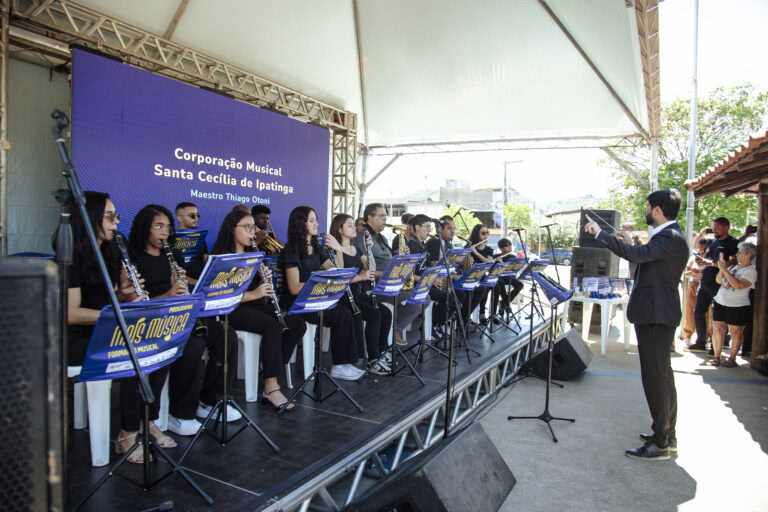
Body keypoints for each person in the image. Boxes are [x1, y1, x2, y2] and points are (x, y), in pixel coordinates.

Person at [60, 191, 172, 464]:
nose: (115, 223)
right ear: (90, 218)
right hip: (76, 337)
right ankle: (127, 434)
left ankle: (148, 419)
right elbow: (71, 314)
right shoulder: (70, 254)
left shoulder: (109, 252)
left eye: (116, 216)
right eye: (110, 216)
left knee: (161, 342)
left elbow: (112, 298)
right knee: (135, 352)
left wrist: (124, 292)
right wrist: (117, 313)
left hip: (108, 327)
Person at [584, 188, 688, 461]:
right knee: (663, 375)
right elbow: (644, 257)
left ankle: (661, 442)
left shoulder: (670, 237)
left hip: (656, 316)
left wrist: (600, 234)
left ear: (657, 209)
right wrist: (628, 242)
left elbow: (637, 256)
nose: (645, 211)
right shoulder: (669, 237)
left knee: (655, 378)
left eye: (647, 207)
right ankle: (667, 432)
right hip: (656, 314)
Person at [129, 204, 242, 434]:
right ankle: (180, 412)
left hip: (181, 314)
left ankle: (210, 399)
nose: (164, 233)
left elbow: (188, 287)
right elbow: (137, 304)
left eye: (168, 228)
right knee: (193, 345)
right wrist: (169, 294)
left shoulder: (173, 254)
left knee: (226, 335)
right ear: (144, 228)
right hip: (155, 321)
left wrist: (188, 284)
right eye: (158, 227)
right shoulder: (133, 258)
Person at [211, 209, 306, 409]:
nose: (252, 232)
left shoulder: (252, 254)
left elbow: (255, 289)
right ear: (232, 229)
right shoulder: (222, 257)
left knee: (296, 324)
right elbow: (220, 294)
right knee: (273, 327)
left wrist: (264, 281)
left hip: (254, 304)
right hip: (231, 308)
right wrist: (255, 294)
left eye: (253, 228)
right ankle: (271, 387)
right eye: (246, 227)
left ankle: (269, 364)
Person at [279, 206, 363, 380]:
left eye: (316, 219)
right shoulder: (291, 250)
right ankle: (340, 366)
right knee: (341, 314)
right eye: (311, 220)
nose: (316, 223)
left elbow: (333, 269)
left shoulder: (316, 247)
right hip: (297, 303)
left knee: (345, 313)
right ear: (300, 224)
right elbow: (294, 287)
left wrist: (338, 251)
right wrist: (319, 284)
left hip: (315, 298)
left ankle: (344, 362)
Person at [330, 213, 393, 375]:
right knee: (374, 315)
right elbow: (340, 277)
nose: (355, 228)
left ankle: (381, 351)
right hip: (343, 296)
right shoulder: (333, 249)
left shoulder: (357, 249)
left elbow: (370, 269)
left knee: (385, 313)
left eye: (354, 224)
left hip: (357, 293)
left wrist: (369, 249)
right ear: (340, 229)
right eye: (350, 225)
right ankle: (373, 359)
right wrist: (339, 250)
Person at [355, 203, 423, 346]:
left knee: (421, 297)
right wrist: (391, 274)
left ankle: (395, 327)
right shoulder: (363, 238)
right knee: (413, 299)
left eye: (385, 216)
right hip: (375, 286)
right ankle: (393, 331)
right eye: (382, 216)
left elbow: (389, 259)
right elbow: (365, 270)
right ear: (370, 218)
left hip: (391, 282)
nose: (385, 219)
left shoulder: (382, 238)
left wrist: (401, 257)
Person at [686, 217, 739, 352]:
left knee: (719, 315)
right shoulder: (712, 242)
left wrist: (710, 263)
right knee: (698, 312)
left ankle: (718, 345)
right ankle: (700, 341)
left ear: (726, 227)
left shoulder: (733, 243)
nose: (714, 230)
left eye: (718, 227)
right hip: (705, 282)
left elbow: (732, 262)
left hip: (720, 284)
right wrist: (701, 262)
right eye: (714, 227)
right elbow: (705, 257)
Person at [710, 242, 757, 367]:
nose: (737, 255)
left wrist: (725, 270)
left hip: (738, 305)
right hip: (720, 301)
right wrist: (722, 270)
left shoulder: (752, 272)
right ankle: (716, 356)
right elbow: (719, 280)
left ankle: (732, 358)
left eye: (740, 252)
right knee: (717, 329)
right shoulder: (734, 267)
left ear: (748, 255)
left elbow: (738, 285)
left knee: (736, 332)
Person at [681, 238, 712, 345]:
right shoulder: (693, 258)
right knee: (690, 310)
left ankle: (706, 337)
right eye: (700, 248)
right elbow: (686, 273)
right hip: (694, 284)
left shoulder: (711, 259)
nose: (701, 250)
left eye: (704, 248)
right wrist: (693, 273)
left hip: (707, 286)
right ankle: (688, 335)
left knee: (707, 313)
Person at [465, 224, 494, 322]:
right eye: (483, 233)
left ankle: (482, 313)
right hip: (470, 276)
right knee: (476, 287)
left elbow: (489, 263)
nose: (486, 236)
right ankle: (466, 315)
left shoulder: (489, 249)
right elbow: (464, 266)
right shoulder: (469, 247)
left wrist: (476, 253)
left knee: (489, 285)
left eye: (487, 233)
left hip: (482, 275)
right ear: (477, 235)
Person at [174, 201, 207, 283]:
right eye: (192, 215)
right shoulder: (170, 240)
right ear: (179, 218)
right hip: (182, 287)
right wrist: (195, 282)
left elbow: (206, 264)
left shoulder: (200, 238)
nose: (196, 218)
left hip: (200, 287)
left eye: (197, 215)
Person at [493, 238, 524, 316]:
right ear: (501, 248)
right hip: (500, 278)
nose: (510, 247)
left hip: (510, 277)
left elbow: (513, 269)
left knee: (520, 285)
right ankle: (506, 304)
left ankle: (504, 303)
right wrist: (498, 262)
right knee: (500, 283)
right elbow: (493, 271)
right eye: (508, 246)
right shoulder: (496, 257)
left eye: (510, 245)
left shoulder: (512, 257)